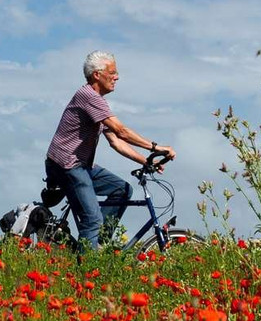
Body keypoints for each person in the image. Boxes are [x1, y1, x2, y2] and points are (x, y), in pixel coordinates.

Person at [45, 50, 176, 250]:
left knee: (122, 190)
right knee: (92, 219)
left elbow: (115, 141)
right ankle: (87, 272)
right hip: (66, 165)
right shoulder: (88, 96)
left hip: (81, 164)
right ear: (97, 74)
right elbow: (121, 131)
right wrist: (157, 147)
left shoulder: (97, 101)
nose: (117, 77)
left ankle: (98, 245)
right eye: (112, 72)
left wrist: (147, 161)